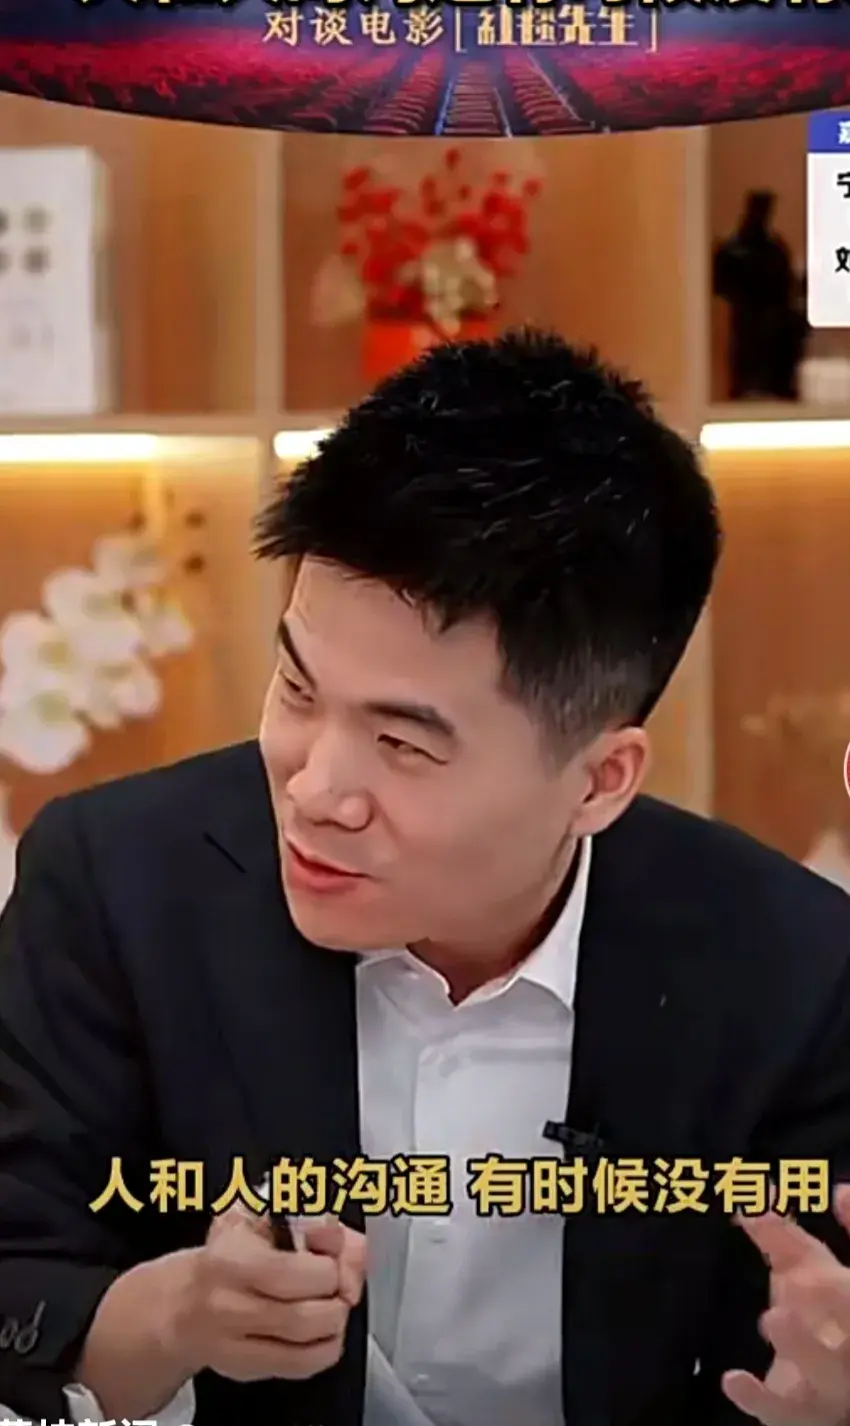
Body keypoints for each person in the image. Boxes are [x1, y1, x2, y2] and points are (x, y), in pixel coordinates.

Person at [1, 329, 850, 1426]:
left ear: (600, 780)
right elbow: (18, 1273)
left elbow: (802, 1350)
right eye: (297, 689)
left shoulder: (795, 972)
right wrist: (168, 1320)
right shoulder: (114, 885)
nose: (316, 789)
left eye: (402, 744)